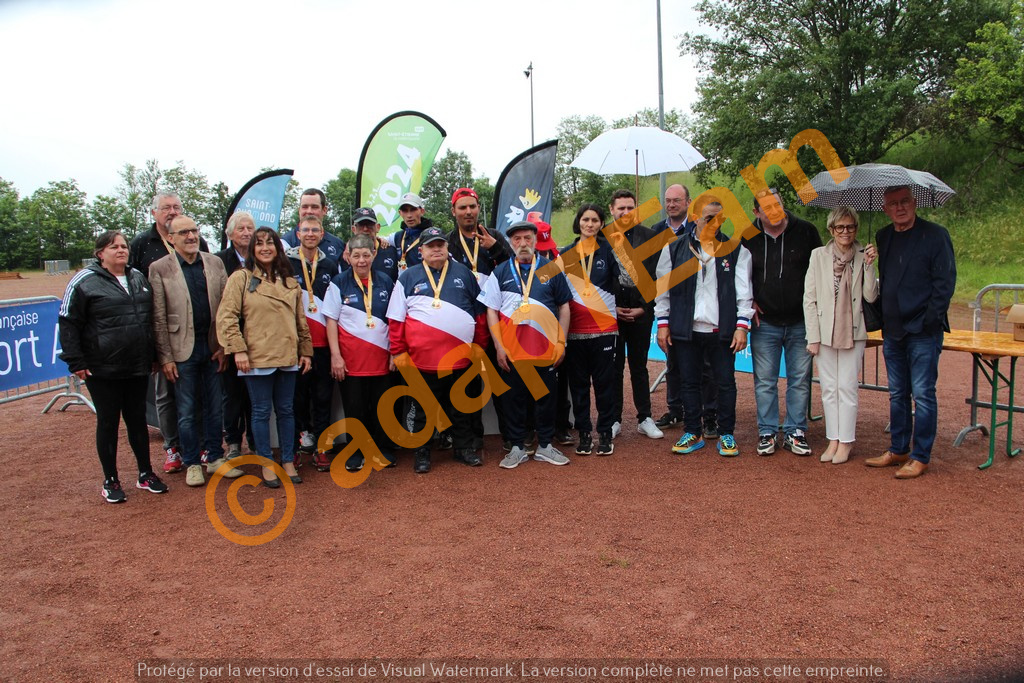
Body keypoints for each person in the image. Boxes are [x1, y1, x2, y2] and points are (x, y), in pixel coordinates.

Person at [59, 231, 168, 503]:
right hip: (102, 368)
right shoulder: (84, 281)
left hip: (137, 365)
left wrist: (153, 354)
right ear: (100, 253)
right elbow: (68, 322)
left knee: (137, 421)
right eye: (114, 247)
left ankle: (146, 473)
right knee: (108, 423)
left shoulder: (137, 278)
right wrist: (77, 362)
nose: (121, 250)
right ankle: (111, 479)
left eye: (124, 246)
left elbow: (149, 318)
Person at [865, 185, 956, 479]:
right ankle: (898, 448)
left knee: (923, 394)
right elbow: (886, 280)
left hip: (923, 330)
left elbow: (944, 283)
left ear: (915, 203)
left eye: (905, 201)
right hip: (893, 330)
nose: (900, 207)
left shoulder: (936, 235)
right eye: (893, 203)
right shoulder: (883, 237)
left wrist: (930, 321)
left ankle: (920, 455)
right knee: (897, 394)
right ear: (885, 209)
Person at [386, 226, 489, 474]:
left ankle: (463, 449)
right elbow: (396, 318)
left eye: (440, 245)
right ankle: (422, 452)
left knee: (461, 407)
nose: (436, 250)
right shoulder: (407, 277)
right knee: (422, 408)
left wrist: (480, 346)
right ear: (421, 251)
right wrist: (398, 351)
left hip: (460, 359)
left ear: (446, 248)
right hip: (422, 360)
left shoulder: (464, 274)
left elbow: (480, 314)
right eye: (431, 246)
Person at [655, 200, 754, 457]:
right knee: (688, 382)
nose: (715, 223)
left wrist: (742, 326)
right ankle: (692, 432)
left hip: (721, 331)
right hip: (685, 330)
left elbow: (745, 292)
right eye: (709, 218)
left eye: (720, 218)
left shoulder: (735, 250)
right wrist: (662, 325)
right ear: (696, 217)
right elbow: (662, 291)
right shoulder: (675, 249)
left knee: (725, 383)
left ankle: (726, 434)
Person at [216, 227, 313, 487]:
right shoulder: (241, 278)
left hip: (287, 355)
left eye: (270, 243)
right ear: (252, 250)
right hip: (257, 357)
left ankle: (288, 460)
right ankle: (266, 461)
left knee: (286, 410)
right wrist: (238, 349)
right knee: (259, 412)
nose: (265, 248)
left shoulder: (290, 281)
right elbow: (227, 317)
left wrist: (305, 350)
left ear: (278, 248)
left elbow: (300, 321)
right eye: (259, 244)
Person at [150, 216, 242, 486]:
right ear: (171, 238)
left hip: (213, 347)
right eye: (183, 232)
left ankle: (215, 458)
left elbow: (227, 309)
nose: (191, 236)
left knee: (216, 408)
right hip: (181, 351)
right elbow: (158, 316)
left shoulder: (214, 262)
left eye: (194, 231)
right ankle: (191, 462)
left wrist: (225, 346)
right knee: (187, 410)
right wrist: (165, 356)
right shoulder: (160, 268)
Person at [128, 192, 210, 474]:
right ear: (155, 213)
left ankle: (203, 449)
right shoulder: (142, 244)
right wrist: (159, 350)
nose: (172, 212)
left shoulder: (203, 250)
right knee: (167, 396)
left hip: (203, 340)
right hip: (168, 339)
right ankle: (174, 448)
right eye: (166, 208)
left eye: (176, 207)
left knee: (201, 398)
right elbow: (143, 296)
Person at [480, 220, 573, 468]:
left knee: (546, 400)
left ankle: (545, 445)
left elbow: (564, 307)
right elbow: (491, 311)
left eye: (528, 238)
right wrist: (499, 346)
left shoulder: (550, 269)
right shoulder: (499, 272)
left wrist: (561, 342)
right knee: (514, 401)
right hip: (512, 351)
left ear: (535, 240)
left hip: (545, 350)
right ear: (511, 243)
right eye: (518, 239)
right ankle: (517, 447)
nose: (523, 244)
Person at [742, 187, 822, 457]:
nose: (774, 211)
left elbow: (819, 270)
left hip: (802, 321)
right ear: (756, 212)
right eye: (766, 207)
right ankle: (767, 431)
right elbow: (741, 277)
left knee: (800, 379)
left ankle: (795, 431)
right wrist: (749, 300)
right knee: (765, 380)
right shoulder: (747, 236)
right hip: (765, 322)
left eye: (777, 204)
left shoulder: (807, 231)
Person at [803, 207, 879, 465]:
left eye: (850, 227)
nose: (845, 232)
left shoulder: (863, 255)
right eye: (840, 227)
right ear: (831, 230)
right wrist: (813, 336)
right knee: (828, 389)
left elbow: (870, 296)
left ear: (856, 228)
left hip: (853, 330)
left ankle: (846, 441)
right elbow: (809, 299)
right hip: (824, 332)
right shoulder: (818, 256)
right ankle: (832, 439)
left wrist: (870, 267)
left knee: (846, 387)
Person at [323, 233, 397, 472]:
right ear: (348, 257)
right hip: (351, 360)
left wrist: (394, 352)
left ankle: (382, 448)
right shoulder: (338, 283)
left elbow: (395, 318)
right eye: (356, 256)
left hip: (381, 358)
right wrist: (336, 355)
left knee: (382, 407)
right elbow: (331, 320)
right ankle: (356, 451)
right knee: (354, 407)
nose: (362, 260)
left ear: (374, 255)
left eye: (366, 255)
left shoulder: (386, 281)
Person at [446, 186, 513, 450]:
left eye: (472, 206)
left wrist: (495, 248)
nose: (468, 212)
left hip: (494, 320)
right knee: (467, 383)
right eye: (462, 207)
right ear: (454, 212)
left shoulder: (493, 235)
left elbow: (514, 267)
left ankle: (511, 436)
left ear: (478, 208)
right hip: (463, 323)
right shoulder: (448, 241)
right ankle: (471, 439)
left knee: (501, 381)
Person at [651, 184, 717, 436]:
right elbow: (653, 271)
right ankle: (675, 409)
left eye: (677, 200)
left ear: (688, 202)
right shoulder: (655, 232)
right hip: (674, 309)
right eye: (667, 200)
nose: (671, 205)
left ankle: (709, 413)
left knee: (707, 367)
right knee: (674, 364)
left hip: (702, 308)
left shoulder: (702, 227)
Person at [562, 203, 620, 456]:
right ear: (579, 222)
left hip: (605, 330)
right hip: (575, 332)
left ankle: (605, 432)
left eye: (595, 220)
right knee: (579, 386)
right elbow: (548, 285)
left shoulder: (610, 251)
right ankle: (584, 433)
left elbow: (630, 281)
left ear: (601, 224)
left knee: (605, 384)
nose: (590, 224)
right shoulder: (565, 253)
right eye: (585, 219)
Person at [606, 189, 664, 441]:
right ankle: (613, 419)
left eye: (631, 208)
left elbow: (658, 277)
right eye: (621, 208)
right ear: (612, 210)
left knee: (639, 366)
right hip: (612, 313)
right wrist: (612, 307)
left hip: (642, 312)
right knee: (614, 368)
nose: (626, 212)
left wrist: (644, 306)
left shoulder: (650, 237)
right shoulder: (601, 238)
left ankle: (645, 418)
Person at [287, 215, 341, 469]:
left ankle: (321, 446)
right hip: (297, 345)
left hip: (323, 344)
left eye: (315, 230)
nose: (310, 234)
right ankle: (297, 446)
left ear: (322, 234)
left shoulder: (330, 264)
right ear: (298, 234)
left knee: (323, 398)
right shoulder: (286, 262)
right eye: (305, 230)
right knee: (296, 398)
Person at [216, 211, 256, 459]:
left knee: (255, 395)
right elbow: (217, 307)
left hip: (258, 339)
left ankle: (255, 439)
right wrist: (223, 343)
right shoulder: (217, 261)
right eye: (240, 228)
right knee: (231, 394)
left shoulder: (264, 260)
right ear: (229, 234)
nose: (246, 232)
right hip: (230, 340)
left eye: (250, 228)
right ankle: (232, 441)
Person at [280, 188, 345, 262]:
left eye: (314, 207)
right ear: (299, 210)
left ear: (324, 210)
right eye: (305, 207)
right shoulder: (285, 243)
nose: (309, 211)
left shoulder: (338, 245)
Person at [348, 207, 399, 282]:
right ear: (353, 229)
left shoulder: (392, 252)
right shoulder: (346, 253)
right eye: (361, 225)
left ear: (377, 227)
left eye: (369, 225)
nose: (365, 229)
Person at [389, 193, 433, 273]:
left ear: (422, 211)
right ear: (400, 213)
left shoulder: (433, 236)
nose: (409, 215)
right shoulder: (397, 236)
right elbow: (374, 239)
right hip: (402, 284)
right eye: (405, 211)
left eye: (413, 209)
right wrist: (381, 240)